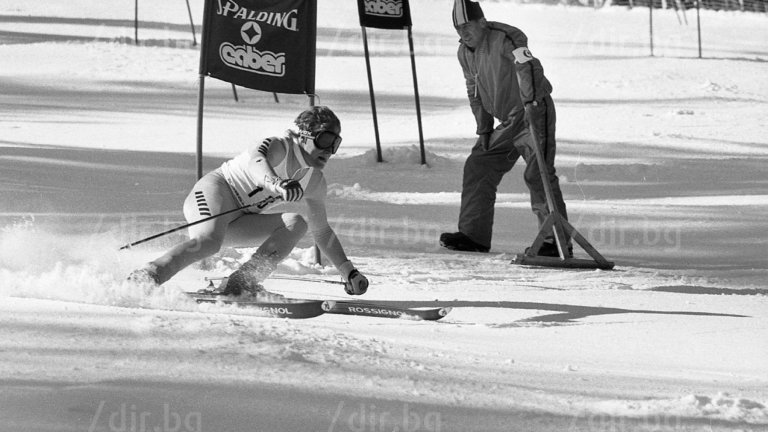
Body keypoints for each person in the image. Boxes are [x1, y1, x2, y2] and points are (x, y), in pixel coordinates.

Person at [128, 106, 369, 300]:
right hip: (214, 192)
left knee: (296, 223)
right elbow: (257, 161)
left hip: (239, 218)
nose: (329, 150)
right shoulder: (280, 146)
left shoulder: (315, 181)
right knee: (209, 243)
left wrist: (348, 271)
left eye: (335, 143)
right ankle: (148, 275)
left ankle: (242, 282)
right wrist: (276, 183)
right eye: (325, 139)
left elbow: (322, 231)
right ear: (304, 137)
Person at [440, 0, 571, 257]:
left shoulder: (507, 36)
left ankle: (555, 242)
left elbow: (527, 65)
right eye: (458, 28)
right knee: (479, 163)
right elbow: (473, 88)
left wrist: (532, 99)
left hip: (532, 111)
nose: (463, 33)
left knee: (538, 173)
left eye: (467, 26)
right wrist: (484, 128)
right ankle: (473, 235)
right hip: (508, 122)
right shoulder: (464, 53)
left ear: (482, 22)